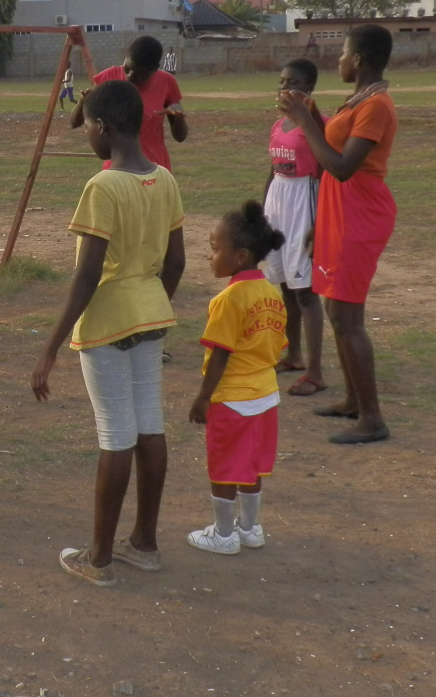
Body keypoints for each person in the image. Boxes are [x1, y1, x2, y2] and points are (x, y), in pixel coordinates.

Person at [31, 80, 186, 587]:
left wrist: (50, 348)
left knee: (116, 435)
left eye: (88, 129)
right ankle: (144, 543)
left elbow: (87, 274)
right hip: (150, 314)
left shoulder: (103, 185)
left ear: (104, 127)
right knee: (149, 426)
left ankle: (97, 559)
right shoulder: (163, 178)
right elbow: (177, 260)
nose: (87, 138)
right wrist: (151, 299)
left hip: (107, 320)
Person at [278, 23, 397, 445]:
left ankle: (372, 417)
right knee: (336, 313)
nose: (339, 61)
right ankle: (351, 401)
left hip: (359, 214)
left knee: (347, 318)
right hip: (338, 213)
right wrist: (310, 114)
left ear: (359, 60)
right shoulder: (359, 100)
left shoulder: (376, 105)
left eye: (344, 54)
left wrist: (302, 123)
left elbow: (342, 167)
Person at [187, 202, 287, 555]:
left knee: (225, 467)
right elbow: (276, 346)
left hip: (232, 398)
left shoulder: (228, 299)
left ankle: (224, 535)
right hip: (266, 395)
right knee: (252, 465)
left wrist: (203, 397)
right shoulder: (272, 294)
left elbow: (220, 353)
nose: (210, 257)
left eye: (215, 250)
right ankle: (250, 528)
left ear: (241, 255)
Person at [262, 59, 327, 397]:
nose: (285, 88)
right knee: (286, 284)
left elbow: (327, 171)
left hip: (305, 201)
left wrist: (321, 222)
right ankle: (294, 356)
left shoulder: (318, 123)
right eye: (282, 81)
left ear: (310, 88)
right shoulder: (277, 125)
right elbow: (273, 170)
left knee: (306, 290)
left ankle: (315, 371)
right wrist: (262, 212)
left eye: (294, 82)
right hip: (278, 201)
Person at [70, 34, 188, 171]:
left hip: (155, 170)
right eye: (127, 68)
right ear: (126, 57)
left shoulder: (167, 82)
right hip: (117, 170)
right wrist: (84, 101)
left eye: (139, 74)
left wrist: (178, 117)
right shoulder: (108, 78)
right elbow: (75, 122)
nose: (130, 75)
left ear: (155, 69)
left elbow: (180, 137)